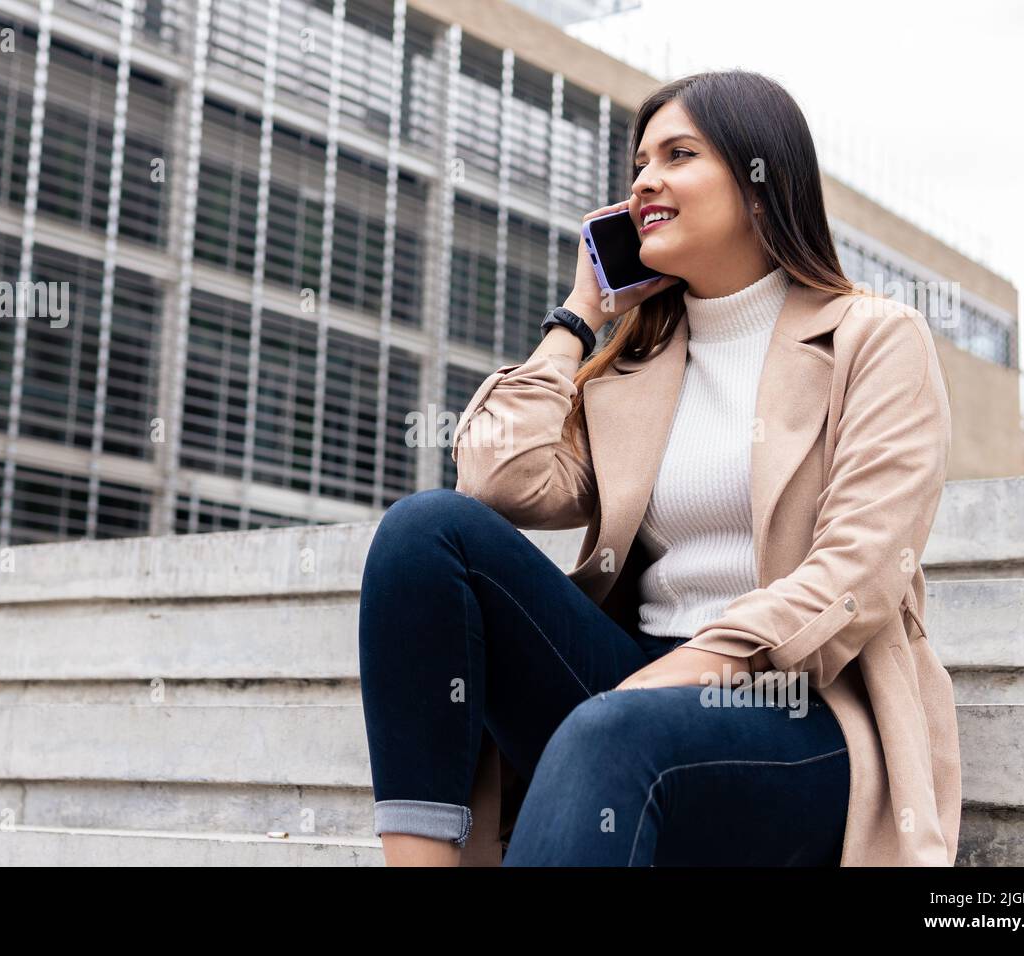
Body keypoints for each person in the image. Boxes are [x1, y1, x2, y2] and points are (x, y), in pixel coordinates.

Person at [358, 69, 956, 866]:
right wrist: (579, 316)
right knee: (425, 533)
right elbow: (496, 478)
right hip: (629, 685)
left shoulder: (873, 340)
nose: (645, 181)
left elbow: (860, 575)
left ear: (758, 184)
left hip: (797, 713)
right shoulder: (636, 367)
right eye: (639, 163)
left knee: (616, 728)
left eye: (678, 155)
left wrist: (661, 684)